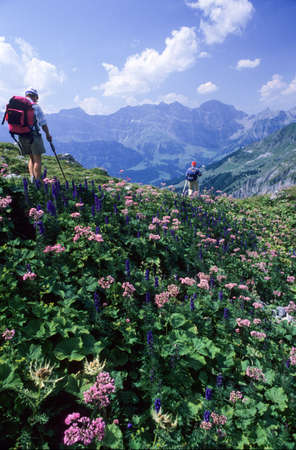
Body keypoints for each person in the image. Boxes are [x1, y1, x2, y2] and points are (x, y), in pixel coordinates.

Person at [19, 88, 52, 182]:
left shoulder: (19, 106)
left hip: (21, 134)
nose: (37, 100)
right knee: (37, 159)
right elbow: (43, 123)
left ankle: (32, 179)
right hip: (33, 135)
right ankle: (38, 183)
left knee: (31, 157)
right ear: (34, 96)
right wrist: (48, 135)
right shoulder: (36, 107)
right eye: (37, 98)